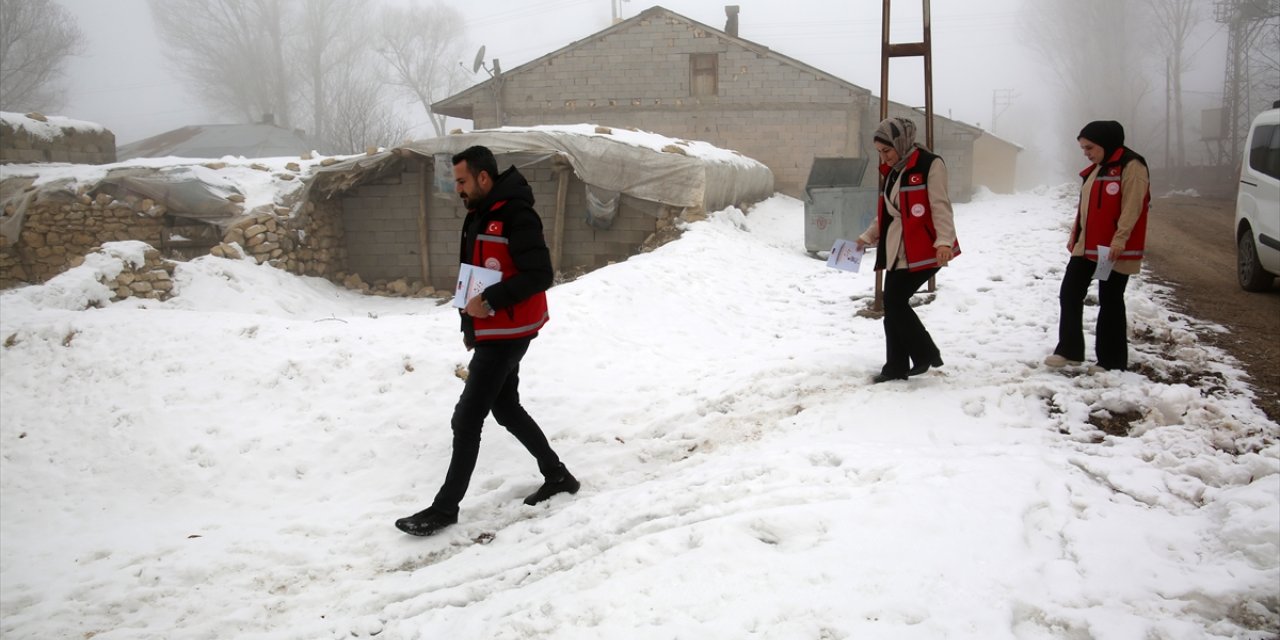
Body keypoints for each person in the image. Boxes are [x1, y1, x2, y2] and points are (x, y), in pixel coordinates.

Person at [396, 145, 579, 537]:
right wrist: (470, 324)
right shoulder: (479, 215)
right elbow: (474, 274)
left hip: (510, 329)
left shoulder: (516, 213)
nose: (457, 188)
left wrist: (491, 302)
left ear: (483, 177)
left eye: (461, 181)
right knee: (506, 408)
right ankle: (558, 476)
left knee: (467, 418)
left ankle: (445, 509)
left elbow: (540, 274)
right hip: (492, 330)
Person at [856, 117, 960, 384]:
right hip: (896, 250)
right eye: (880, 152)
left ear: (901, 142)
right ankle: (895, 367)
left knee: (894, 301)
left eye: (887, 150)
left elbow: (940, 205)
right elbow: (888, 213)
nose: (885, 157)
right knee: (893, 307)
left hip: (925, 248)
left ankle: (925, 352)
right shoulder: (893, 171)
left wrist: (944, 242)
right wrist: (868, 236)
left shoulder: (929, 164)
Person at [1045, 120, 1149, 373]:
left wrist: (1119, 240)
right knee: (1069, 293)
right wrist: (1075, 235)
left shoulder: (1131, 166)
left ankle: (1111, 361)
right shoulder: (1096, 169)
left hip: (1111, 250)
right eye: (1083, 149)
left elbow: (1132, 208)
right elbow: (1085, 208)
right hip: (1087, 248)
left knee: (1110, 300)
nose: (1087, 153)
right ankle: (1069, 350)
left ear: (1105, 143)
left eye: (1090, 147)